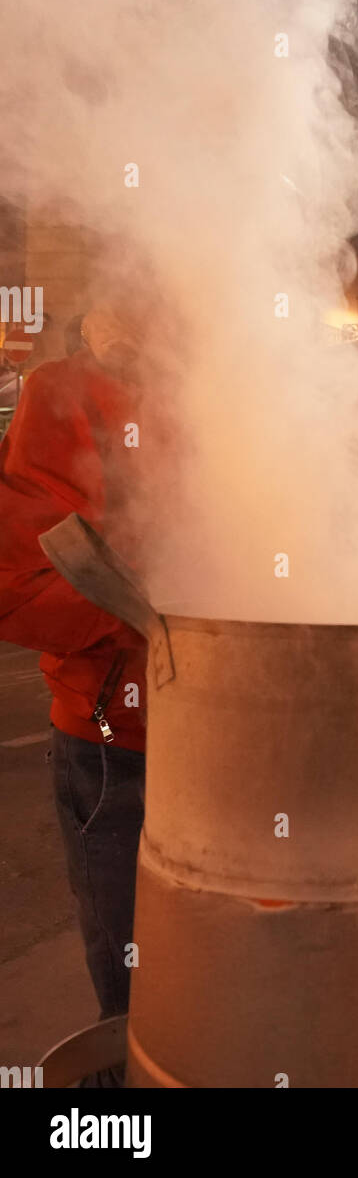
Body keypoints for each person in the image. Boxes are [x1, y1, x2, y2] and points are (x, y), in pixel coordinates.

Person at [0, 301, 150, 1081]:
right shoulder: (68, 391)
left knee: (246, 989)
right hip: (116, 754)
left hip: (254, 750)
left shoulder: (259, 390)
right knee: (133, 1010)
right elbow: (19, 588)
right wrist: (151, 596)